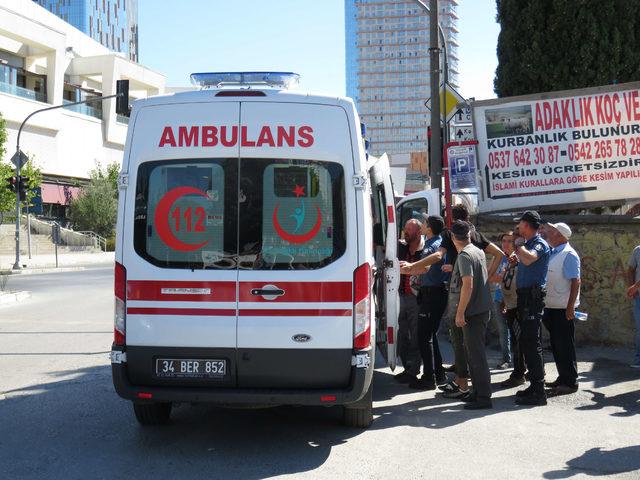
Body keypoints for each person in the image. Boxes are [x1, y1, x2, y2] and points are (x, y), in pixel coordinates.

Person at [400, 204, 504, 397]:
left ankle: (466, 385)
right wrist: (486, 277)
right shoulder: (475, 237)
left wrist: (412, 266)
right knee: (470, 345)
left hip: (461, 294)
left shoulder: (453, 237)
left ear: (452, 220)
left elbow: (438, 256)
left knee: (462, 343)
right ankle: (462, 382)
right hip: (474, 295)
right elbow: (499, 254)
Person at [448, 220, 493, 409]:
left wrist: (460, 313)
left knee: (476, 356)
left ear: (452, 237)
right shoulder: (478, 250)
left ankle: (483, 397)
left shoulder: (465, 255)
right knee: (473, 355)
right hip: (480, 310)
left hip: (472, 312)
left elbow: (468, 284)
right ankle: (477, 393)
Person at [512, 210, 551, 406]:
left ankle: (539, 390)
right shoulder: (527, 244)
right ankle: (535, 385)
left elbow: (529, 259)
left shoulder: (538, 244)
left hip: (532, 299)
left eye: (520, 224)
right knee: (527, 342)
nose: (518, 228)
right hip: (525, 298)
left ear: (526, 225)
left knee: (532, 343)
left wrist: (518, 247)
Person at [409, 214, 449, 390]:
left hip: (432, 294)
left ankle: (429, 378)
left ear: (429, 228)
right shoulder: (439, 243)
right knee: (431, 335)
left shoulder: (431, 246)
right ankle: (438, 374)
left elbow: (424, 268)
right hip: (435, 293)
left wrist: (406, 269)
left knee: (424, 337)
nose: (423, 225)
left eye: (425, 223)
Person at [542, 222, 581, 395]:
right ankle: (562, 377)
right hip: (552, 306)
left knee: (565, 345)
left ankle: (570, 382)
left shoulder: (569, 254)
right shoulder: (554, 252)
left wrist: (570, 307)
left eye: (551, 232)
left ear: (560, 235)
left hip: (562, 308)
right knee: (557, 345)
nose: (548, 234)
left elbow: (576, 281)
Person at [394, 219, 425, 384]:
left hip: (416, 298)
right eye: (405, 229)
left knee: (416, 336)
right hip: (399, 297)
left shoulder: (425, 250)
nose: (405, 232)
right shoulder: (401, 247)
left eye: (409, 230)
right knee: (401, 335)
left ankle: (414, 370)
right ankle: (408, 368)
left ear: (418, 232)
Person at [499, 228, 527, 388]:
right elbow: (507, 282)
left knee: (519, 341)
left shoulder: (521, 257)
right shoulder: (511, 259)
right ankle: (520, 371)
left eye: (514, 239)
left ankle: (519, 373)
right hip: (510, 305)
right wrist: (504, 300)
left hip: (518, 306)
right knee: (518, 339)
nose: (511, 243)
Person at [490, 232, 513, 369]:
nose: (505, 243)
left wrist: (502, 276)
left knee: (516, 330)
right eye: (504, 240)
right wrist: (502, 276)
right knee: (503, 330)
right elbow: (490, 277)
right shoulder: (499, 257)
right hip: (499, 297)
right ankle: (506, 359)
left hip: (513, 298)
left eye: (509, 241)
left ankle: (522, 361)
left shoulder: (516, 257)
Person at [626, 244, 640, 368]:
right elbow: (630, 270)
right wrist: (632, 287)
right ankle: (638, 360)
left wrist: (635, 286)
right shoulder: (638, 250)